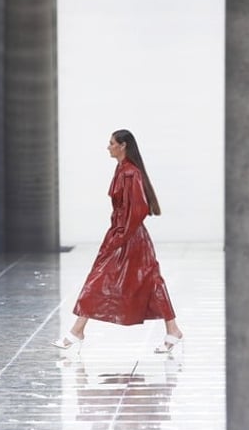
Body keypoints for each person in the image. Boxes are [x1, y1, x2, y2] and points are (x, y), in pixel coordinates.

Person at [53, 129, 183, 354]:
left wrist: (119, 237)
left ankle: (77, 331)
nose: (108, 147)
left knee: (102, 278)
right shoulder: (124, 170)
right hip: (127, 235)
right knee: (148, 281)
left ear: (123, 145)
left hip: (128, 238)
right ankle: (173, 330)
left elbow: (138, 209)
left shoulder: (130, 173)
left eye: (111, 143)